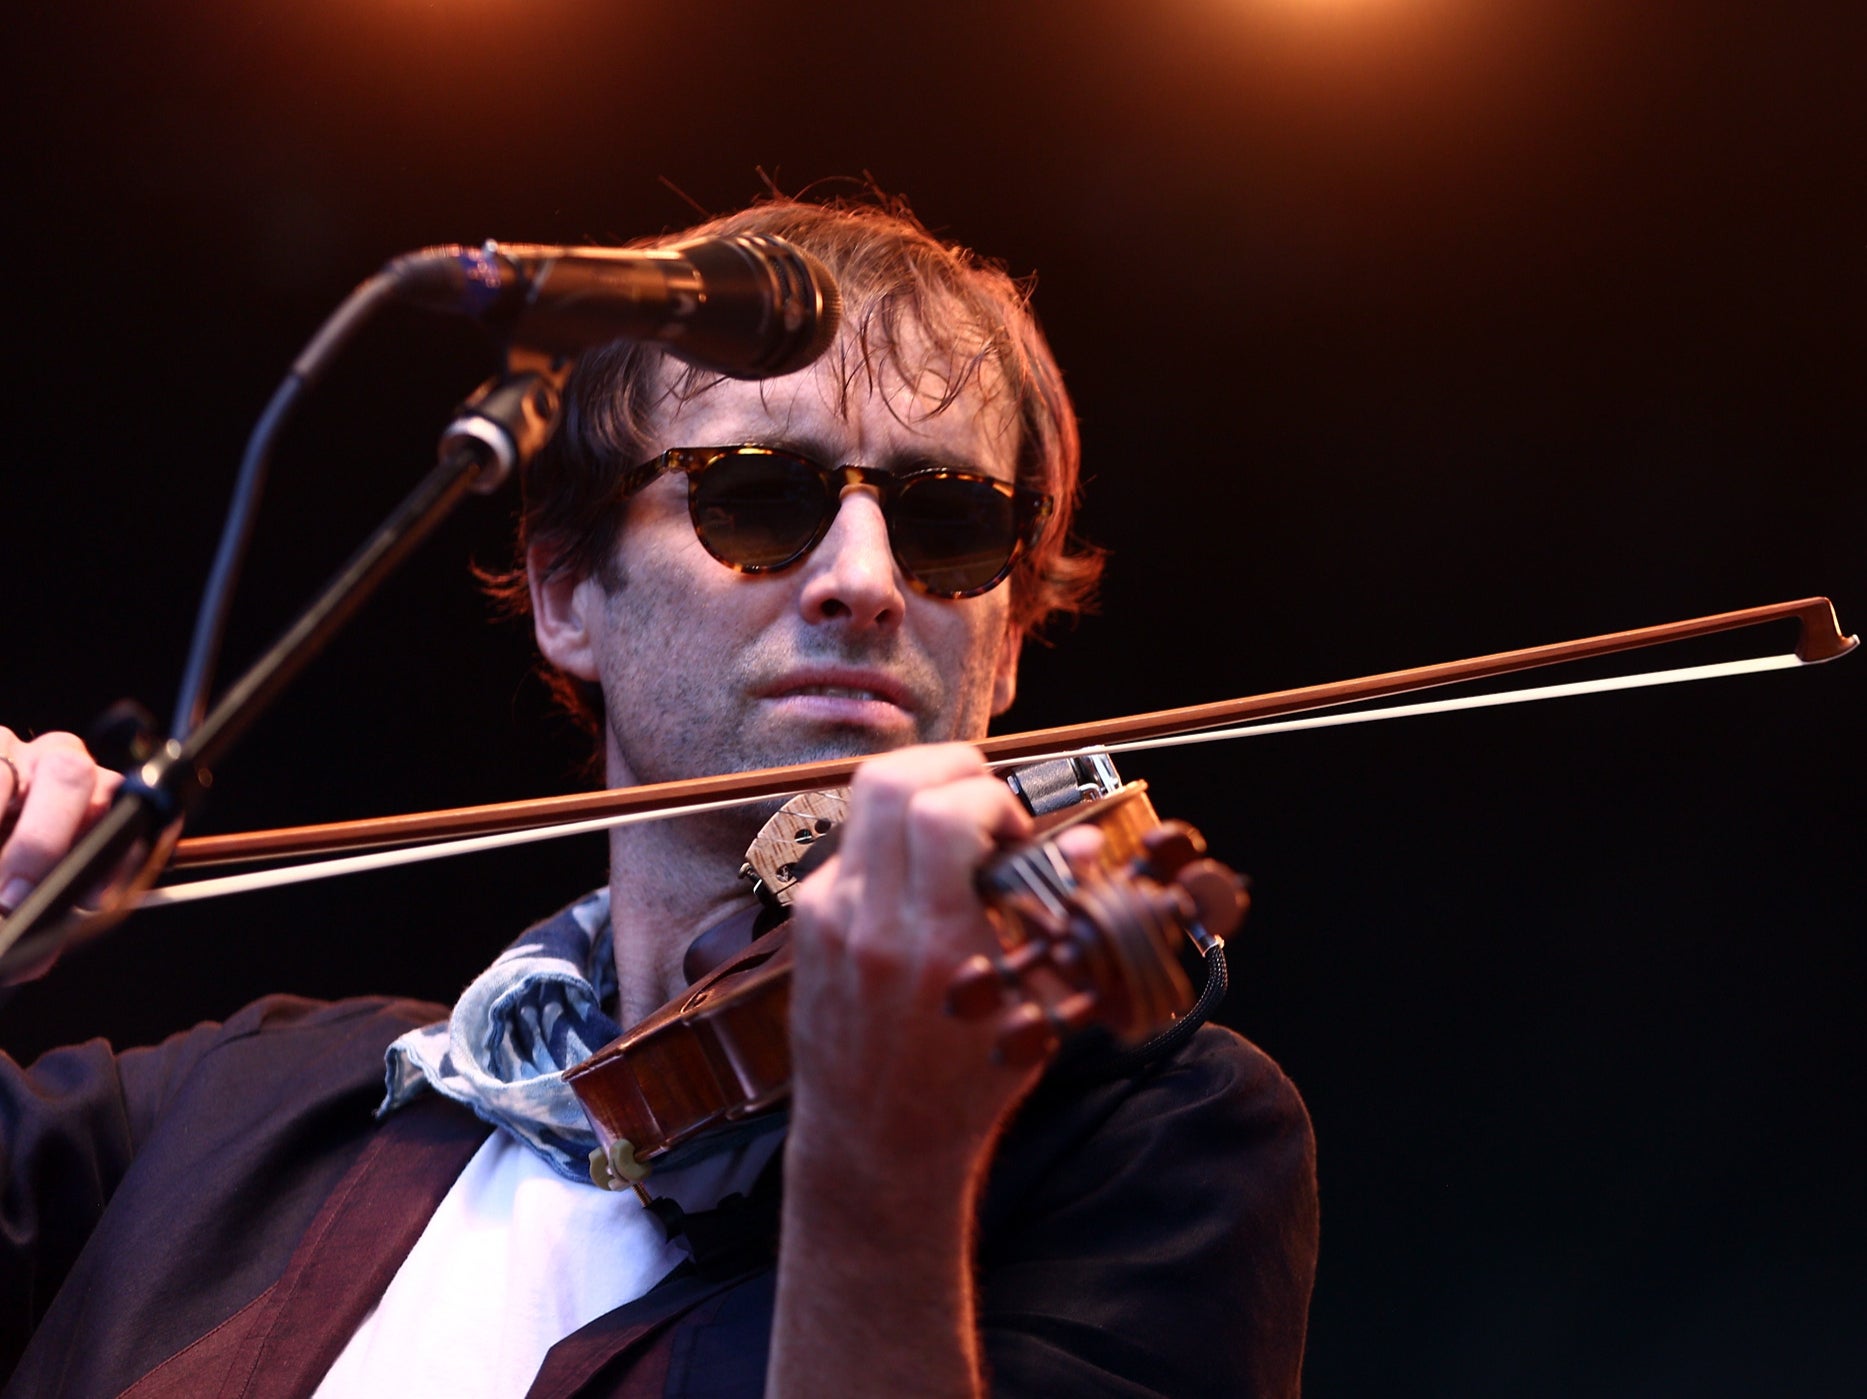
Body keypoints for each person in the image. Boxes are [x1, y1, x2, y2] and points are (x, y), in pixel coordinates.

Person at [0, 195, 1319, 1397]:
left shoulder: (1153, 1145)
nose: (864, 577)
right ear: (568, 592)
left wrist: (880, 1172)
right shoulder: (218, 1116)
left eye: (950, 524)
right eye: (760, 495)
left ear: (1014, 632)